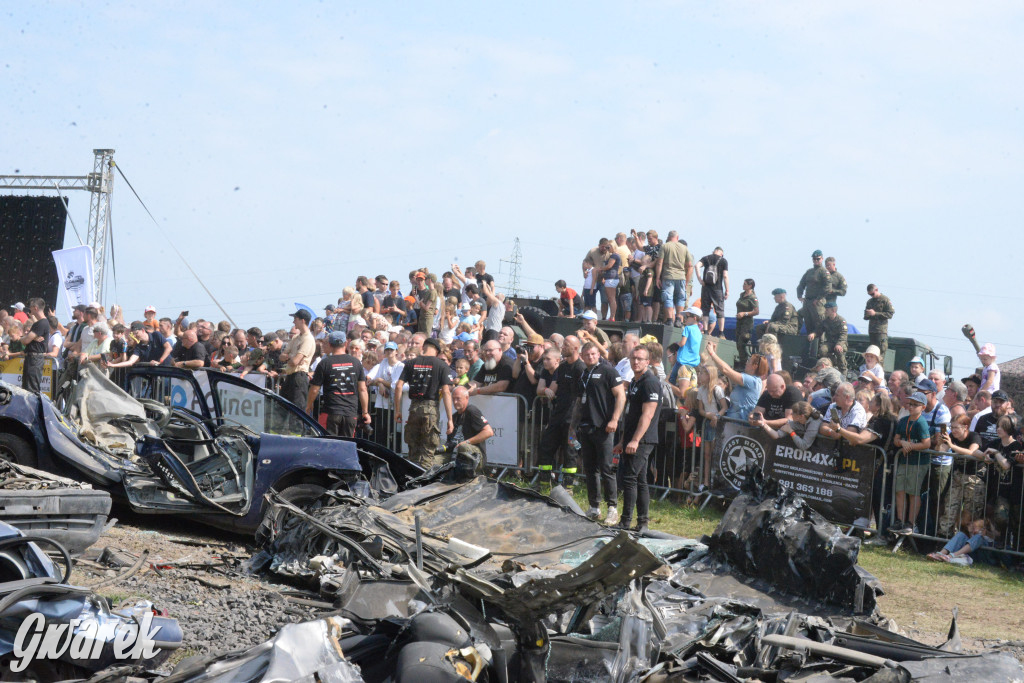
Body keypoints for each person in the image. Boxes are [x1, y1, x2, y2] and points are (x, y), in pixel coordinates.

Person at [613, 345, 662, 532]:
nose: (636, 362)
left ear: (648, 362)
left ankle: (626, 522)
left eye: (640, 359)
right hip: (632, 437)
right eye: (633, 358)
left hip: (643, 439)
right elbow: (630, 415)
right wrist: (623, 440)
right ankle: (642, 523)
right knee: (640, 480)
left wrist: (635, 440)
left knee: (630, 478)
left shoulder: (650, 382)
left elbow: (647, 415)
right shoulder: (634, 381)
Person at [577, 341, 626, 524]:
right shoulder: (583, 374)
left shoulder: (608, 371)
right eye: (587, 354)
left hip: (604, 428)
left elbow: (621, 395)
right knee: (590, 469)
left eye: (593, 354)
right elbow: (578, 401)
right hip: (586, 426)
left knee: (607, 469)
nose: (590, 357)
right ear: (582, 356)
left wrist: (614, 419)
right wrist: (573, 427)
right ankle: (594, 507)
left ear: (599, 355)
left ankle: (612, 508)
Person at [395, 338, 454, 469]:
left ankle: (410, 479)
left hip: (413, 409)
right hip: (431, 409)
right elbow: (446, 391)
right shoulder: (441, 364)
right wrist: (450, 419)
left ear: (424, 347)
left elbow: (398, 386)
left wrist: (398, 410)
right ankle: (424, 482)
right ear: (437, 351)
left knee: (413, 449)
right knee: (428, 450)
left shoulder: (410, 363)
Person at [536, 337, 585, 488]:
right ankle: (544, 483)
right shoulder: (562, 368)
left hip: (572, 419)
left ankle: (567, 486)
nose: (563, 347)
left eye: (567, 345)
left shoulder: (580, 368)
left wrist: (576, 420)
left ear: (576, 348)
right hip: (558, 415)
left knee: (570, 451)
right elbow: (553, 389)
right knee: (546, 445)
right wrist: (547, 392)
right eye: (563, 344)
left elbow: (581, 395)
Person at [306, 333, 370, 437]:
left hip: (330, 411)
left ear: (330, 345)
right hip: (350, 412)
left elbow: (314, 389)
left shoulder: (324, 363)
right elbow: (363, 389)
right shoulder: (356, 363)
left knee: (328, 446)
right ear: (346, 343)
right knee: (347, 446)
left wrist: (308, 406)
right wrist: (365, 412)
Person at [892, 391, 931, 535]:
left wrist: (910, 446)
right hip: (904, 461)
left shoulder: (922, 423)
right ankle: (900, 521)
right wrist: (902, 442)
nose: (911, 407)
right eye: (910, 404)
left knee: (913, 492)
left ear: (923, 407)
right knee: (900, 490)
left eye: (915, 405)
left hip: (918, 462)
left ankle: (910, 523)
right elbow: (896, 440)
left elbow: (927, 443)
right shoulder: (903, 420)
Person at [705, 339, 766, 421]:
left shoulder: (752, 381)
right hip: (735, 421)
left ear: (754, 366)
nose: (746, 363)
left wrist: (712, 354)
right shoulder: (753, 380)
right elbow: (726, 371)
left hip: (739, 424)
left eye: (749, 361)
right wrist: (714, 355)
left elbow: (726, 370)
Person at [443, 385, 494, 470]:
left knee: (463, 447)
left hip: (475, 456)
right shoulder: (453, 417)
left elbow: (489, 432)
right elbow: (450, 443)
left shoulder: (472, 411)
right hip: (455, 454)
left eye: (458, 399)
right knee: (433, 459)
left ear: (467, 398)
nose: (455, 402)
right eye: (453, 399)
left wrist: (467, 442)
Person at [654, 230, 694, 326]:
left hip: (668, 276)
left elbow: (659, 263)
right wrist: (687, 281)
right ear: (677, 237)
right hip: (681, 277)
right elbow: (690, 266)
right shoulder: (684, 248)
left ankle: (669, 320)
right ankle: (678, 320)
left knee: (668, 298)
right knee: (680, 298)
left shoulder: (665, 246)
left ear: (668, 237)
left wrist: (658, 278)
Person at [279, 310, 316, 408]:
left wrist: (290, 357)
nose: (293, 322)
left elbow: (295, 361)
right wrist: (291, 357)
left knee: (296, 413)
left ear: (302, 320)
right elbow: (282, 356)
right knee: (281, 409)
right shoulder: (295, 337)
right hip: (290, 375)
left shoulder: (308, 339)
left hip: (299, 376)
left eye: (295, 319)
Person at [927, 518, 995, 566]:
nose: (972, 528)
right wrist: (971, 532)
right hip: (971, 555)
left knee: (979, 537)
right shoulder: (973, 536)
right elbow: (972, 542)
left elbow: (992, 536)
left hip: (984, 557)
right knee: (961, 534)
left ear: (983, 529)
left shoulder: (985, 537)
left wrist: (983, 533)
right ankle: (940, 554)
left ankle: (952, 556)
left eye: (975, 527)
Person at [757, 401, 823, 450]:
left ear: (801, 416)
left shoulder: (815, 422)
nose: (791, 414)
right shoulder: (796, 421)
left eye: (793, 413)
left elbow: (804, 445)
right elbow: (776, 435)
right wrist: (763, 424)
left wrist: (791, 432)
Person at [696, 247, 729, 337]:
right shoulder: (723, 261)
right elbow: (725, 276)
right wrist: (727, 290)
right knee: (720, 311)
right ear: (721, 253)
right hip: (717, 289)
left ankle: (705, 331)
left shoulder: (706, 258)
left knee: (705, 310)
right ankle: (721, 333)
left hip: (705, 288)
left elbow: (697, 265)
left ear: (713, 251)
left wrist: (700, 279)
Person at [796, 250, 831, 335]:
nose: (816, 260)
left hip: (817, 303)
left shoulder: (824, 272)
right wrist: (799, 295)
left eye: (818, 259)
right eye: (814, 259)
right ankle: (810, 345)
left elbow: (827, 287)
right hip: (807, 301)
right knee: (808, 324)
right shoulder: (809, 271)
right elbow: (801, 284)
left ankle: (819, 345)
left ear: (822, 259)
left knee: (819, 324)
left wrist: (818, 298)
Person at [808, 302, 848, 374]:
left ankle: (843, 372)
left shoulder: (841, 321)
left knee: (839, 351)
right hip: (830, 343)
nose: (825, 311)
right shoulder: (825, 321)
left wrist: (839, 344)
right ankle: (830, 364)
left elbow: (843, 335)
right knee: (822, 350)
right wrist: (813, 334)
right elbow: (819, 331)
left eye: (827, 310)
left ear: (833, 310)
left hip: (840, 343)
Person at [19, 299, 50, 393]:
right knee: (27, 387)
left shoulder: (42, 323)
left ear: (35, 308)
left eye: (31, 308)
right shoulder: (39, 323)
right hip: (32, 358)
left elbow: (26, 341)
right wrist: (29, 338)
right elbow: (27, 339)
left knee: (31, 389)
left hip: (35, 359)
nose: (30, 310)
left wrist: (25, 338)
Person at [673, 307, 702, 394]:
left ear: (694, 318)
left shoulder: (687, 328)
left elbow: (682, 343)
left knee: (672, 379)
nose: (685, 319)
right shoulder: (699, 332)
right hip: (693, 365)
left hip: (683, 361)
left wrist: (676, 342)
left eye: (687, 317)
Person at [863, 284, 895, 359]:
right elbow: (865, 316)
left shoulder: (885, 300)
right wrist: (868, 314)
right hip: (872, 331)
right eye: (870, 294)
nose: (871, 296)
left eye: (872, 294)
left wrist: (875, 314)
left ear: (876, 290)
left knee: (880, 352)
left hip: (881, 331)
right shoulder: (869, 302)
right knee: (872, 352)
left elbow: (890, 314)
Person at [734, 278, 759, 364]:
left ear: (750, 286)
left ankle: (745, 363)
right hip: (739, 322)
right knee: (738, 343)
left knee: (742, 342)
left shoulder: (753, 297)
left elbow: (756, 311)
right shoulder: (742, 295)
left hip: (747, 323)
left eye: (745, 284)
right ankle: (742, 361)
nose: (743, 285)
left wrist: (744, 314)